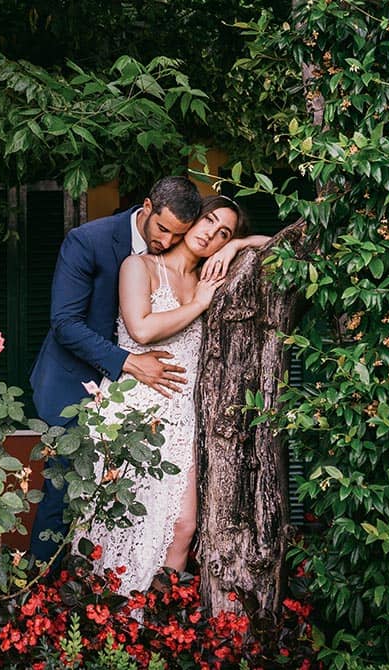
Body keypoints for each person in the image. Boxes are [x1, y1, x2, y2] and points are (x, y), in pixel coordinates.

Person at [83, 195, 269, 594]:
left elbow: (280, 246)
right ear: (192, 220)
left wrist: (239, 245)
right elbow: (142, 330)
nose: (211, 235)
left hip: (183, 413)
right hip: (135, 409)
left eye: (223, 233)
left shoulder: (214, 274)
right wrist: (201, 302)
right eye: (209, 221)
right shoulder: (140, 266)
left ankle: (156, 625)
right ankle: (113, 618)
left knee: (183, 524)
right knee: (124, 519)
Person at [28, 176, 203, 564]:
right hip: (72, 380)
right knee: (68, 489)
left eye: (179, 235)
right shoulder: (87, 240)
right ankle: (35, 595)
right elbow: (66, 323)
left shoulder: (179, 250)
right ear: (146, 207)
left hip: (135, 394)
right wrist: (128, 362)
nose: (167, 242)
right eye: (162, 229)